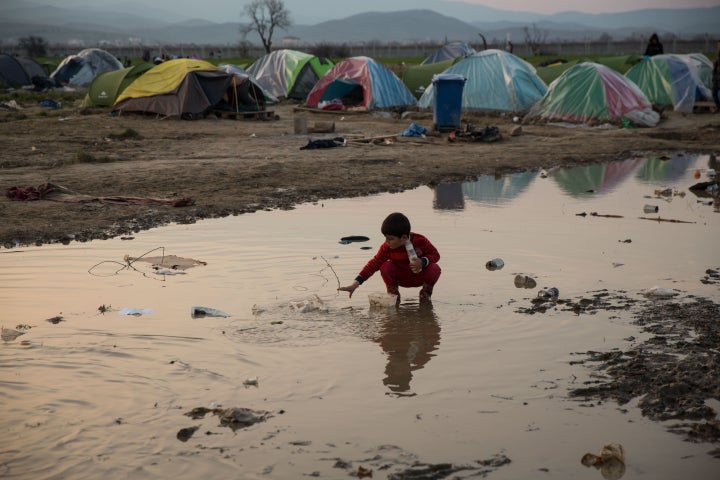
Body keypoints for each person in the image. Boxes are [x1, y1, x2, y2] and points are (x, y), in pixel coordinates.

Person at [338, 212, 441, 302]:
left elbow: (436, 255)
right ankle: (393, 296)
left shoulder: (420, 240)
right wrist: (354, 285)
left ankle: (425, 295)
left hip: (419, 276)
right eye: (385, 238)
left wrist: (422, 261)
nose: (387, 242)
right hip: (401, 278)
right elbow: (373, 264)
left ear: (404, 237)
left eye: (390, 239)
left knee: (434, 268)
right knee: (385, 266)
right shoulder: (387, 247)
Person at [712, 40, 720, 113]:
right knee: (714, 93)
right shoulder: (718, 55)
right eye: (718, 45)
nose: (718, 47)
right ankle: (718, 107)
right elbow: (715, 68)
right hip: (717, 78)